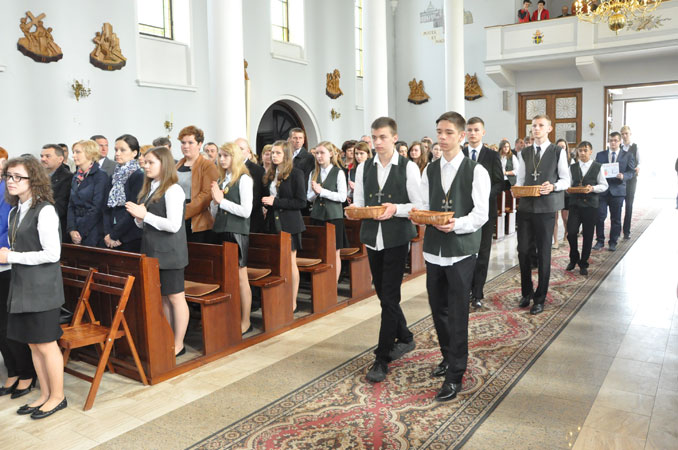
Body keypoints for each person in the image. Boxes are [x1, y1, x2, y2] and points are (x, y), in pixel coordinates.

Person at [415, 111, 490, 401]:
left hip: (461, 251)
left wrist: (456, 224)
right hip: (434, 251)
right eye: (439, 132)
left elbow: (481, 214)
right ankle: (448, 357)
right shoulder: (430, 170)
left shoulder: (476, 171)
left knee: (458, 313)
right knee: (438, 310)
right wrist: (420, 215)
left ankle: (455, 374)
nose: (442, 137)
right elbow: (424, 204)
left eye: (448, 132)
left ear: (461, 136)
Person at [350, 116, 423, 383]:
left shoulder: (408, 167)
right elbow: (359, 202)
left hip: (395, 238)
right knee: (384, 295)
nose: (377, 142)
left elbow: (418, 204)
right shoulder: (363, 168)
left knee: (390, 297)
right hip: (373, 237)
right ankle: (405, 336)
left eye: (382, 137)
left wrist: (395, 209)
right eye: (374, 137)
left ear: (394, 137)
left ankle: (382, 358)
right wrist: (354, 210)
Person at [0, 155, 67, 419]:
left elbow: (52, 254)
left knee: (47, 345)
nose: (11, 181)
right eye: (9, 176)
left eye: (18, 177)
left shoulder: (45, 210)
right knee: (33, 345)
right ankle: (44, 394)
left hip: (43, 288)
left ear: (34, 180)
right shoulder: (17, 210)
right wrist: (11, 253)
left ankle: (58, 397)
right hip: (22, 286)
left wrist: (11, 256)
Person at [126, 146, 189, 357]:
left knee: (176, 298)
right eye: (145, 162)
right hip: (153, 250)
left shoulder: (173, 190)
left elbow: (173, 225)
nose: (146, 166)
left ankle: (179, 344)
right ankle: (167, 338)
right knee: (163, 298)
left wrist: (145, 215)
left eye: (151, 162)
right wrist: (138, 218)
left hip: (170, 252)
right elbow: (145, 222)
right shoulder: (151, 187)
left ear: (164, 164)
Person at [516, 115, 570, 315]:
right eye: (534, 126)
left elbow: (566, 180)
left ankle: (540, 298)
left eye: (540, 125)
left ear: (549, 129)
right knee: (523, 251)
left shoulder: (557, 151)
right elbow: (521, 178)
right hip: (526, 207)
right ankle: (526, 292)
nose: (536, 129)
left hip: (546, 208)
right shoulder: (525, 152)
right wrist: (517, 189)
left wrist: (553, 186)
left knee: (544, 253)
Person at [0, 154, 37, 401]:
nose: (11, 179)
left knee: (9, 325)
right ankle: (12, 371)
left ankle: (25, 373)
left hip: (7, 264)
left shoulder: (8, 192)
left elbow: (8, 231)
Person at [210, 143, 254, 334]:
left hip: (237, 232)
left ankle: (246, 321)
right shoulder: (222, 179)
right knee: (226, 277)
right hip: (221, 229)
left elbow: (246, 211)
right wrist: (214, 203)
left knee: (241, 277)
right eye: (220, 155)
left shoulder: (244, 179)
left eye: (226, 156)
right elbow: (216, 210)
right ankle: (231, 317)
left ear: (235, 157)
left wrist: (221, 201)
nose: (221, 159)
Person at [463, 117, 504, 309]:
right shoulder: (460, 154)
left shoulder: (492, 155)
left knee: (482, 253)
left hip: (486, 210)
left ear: (483, 132)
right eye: (470, 130)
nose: (472, 133)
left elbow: (500, 183)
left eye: (476, 130)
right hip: (464, 211)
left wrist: (482, 195)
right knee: (465, 253)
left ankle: (477, 293)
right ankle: (464, 290)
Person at [262, 140, 306, 311]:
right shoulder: (270, 173)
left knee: (290, 261)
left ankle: (293, 301)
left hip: (290, 223)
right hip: (273, 222)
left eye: (278, 153)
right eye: (272, 153)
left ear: (286, 155)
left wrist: (275, 202)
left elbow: (301, 202)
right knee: (277, 261)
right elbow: (270, 198)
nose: (274, 156)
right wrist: (266, 204)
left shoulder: (296, 173)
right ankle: (280, 298)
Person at [307, 141, 348, 283]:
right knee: (319, 251)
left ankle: (333, 284)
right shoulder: (313, 173)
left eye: (322, 153)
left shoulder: (338, 172)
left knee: (334, 252)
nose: (319, 156)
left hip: (334, 216)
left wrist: (322, 191)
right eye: (317, 153)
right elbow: (308, 197)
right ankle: (322, 284)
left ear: (330, 154)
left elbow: (342, 197)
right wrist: (315, 192)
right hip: (317, 215)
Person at [566, 142, 608, 275]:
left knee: (588, 235)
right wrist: (567, 189)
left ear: (591, 151)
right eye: (580, 150)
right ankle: (574, 257)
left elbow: (604, 185)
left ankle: (583, 263)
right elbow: (567, 183)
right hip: (575, 205)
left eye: (585, 150)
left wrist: (593, 188)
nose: (582, 153)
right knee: (571, 232)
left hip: (591, 205)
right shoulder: (572, 167)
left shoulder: (598, 167)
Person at [175, 125, 219, 243]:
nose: (186, 146)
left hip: (197, 222)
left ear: (199, 144)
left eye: (190, 143)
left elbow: (206, 195)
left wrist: (184, 212)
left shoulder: (207, 165)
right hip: (176, 215)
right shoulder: (177, 165)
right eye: (183, 143)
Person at [594, 132, 635, 252]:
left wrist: (624, 176)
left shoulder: (627, 155)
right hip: (603, 190)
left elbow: (631, 171)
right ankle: (600, 241)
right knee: (600, 217)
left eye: (615, 140)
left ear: (620, 142)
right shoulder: (600, 155)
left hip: (618, 191)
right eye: (611, 140)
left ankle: (613, 242)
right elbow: (595, 170)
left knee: (615, 218)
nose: (613, 143)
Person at [103, 134, 144, 253]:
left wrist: (115, 235)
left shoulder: (138, 175)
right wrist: (108, 234)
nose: (117, 153)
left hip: (129, 236)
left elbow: (133, 210)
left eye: (122, 150)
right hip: (112, 234)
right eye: (116, 150)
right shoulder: (113, 175)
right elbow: (106, 208)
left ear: (134, 153)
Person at [67, 140, 110, 247]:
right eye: (73, 152)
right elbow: (71, 205)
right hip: (76, 230)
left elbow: (97, 207)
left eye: (78, 152)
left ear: (89, 154)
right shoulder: (76, 176)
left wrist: (81, 232)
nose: (73, 156)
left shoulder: (100, 175)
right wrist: (72, 229)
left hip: (94, 231)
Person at [40, 144, 73, 241]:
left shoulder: (68, 177)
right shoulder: (38, 177)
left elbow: (61, 207)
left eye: (48, 156)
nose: (43, 159)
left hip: (56, 229)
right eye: (42, 156)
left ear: (60, 159)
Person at [235, 138, 265, 233]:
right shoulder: (228, 168)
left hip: (252, 219)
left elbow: (257, 195)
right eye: (236, 149)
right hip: (233, 217)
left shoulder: (257, 170)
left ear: (248, 151)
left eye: (241, 149)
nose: (238, 152)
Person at [620, 125, 639, 240]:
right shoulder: (620, 147)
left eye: (626, 133)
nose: (624, 136)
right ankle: (616, 229)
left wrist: (638, 168)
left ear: (630, 134)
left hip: (631, 179)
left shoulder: (635, 147)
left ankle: (626, 231)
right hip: (620, 179)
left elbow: (640, 163)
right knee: (618, 204)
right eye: (622, 134)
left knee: (629, 205)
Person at [552, 139, 572, 249]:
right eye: (559, 146)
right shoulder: (552, 160)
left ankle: (566, 233)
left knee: (565, 217)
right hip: (555, 190)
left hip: (566, 192)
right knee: (554, 218)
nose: (561, 148)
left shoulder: (570, 161)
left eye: (563, 146)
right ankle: (555, 240)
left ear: (566, 148)